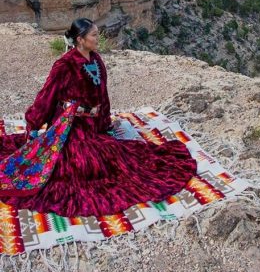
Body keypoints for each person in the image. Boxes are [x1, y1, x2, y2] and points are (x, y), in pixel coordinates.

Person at [0, 18, 197, 217]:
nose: (98, 38)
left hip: (92, 125)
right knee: (86, 163)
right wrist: (33, 124)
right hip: (71, 126)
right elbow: (47, 95)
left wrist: (104, 123)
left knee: (118, 156)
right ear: (80, 39)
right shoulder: (64, 65)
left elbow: (102, 95)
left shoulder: (96, 59)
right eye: (93, 35)